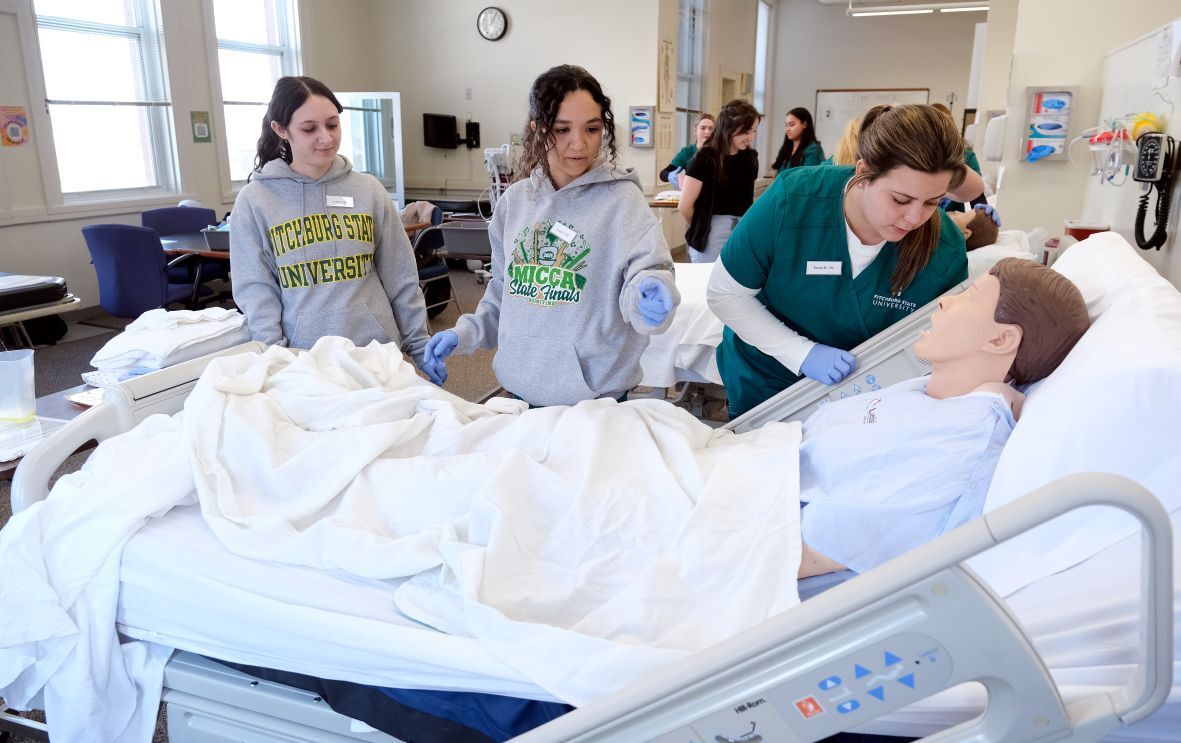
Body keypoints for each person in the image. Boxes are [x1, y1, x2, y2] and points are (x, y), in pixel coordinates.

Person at [797, 258, 1090, 577]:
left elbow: (811, 552)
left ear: (1000, 340)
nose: (943, 301)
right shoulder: (937, 395)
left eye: (970, 296)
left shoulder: (960, 445)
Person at [420, 65, 679, 407]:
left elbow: (646, 276)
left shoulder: (622, 201)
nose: (579, 143)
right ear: (537, 130)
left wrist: (651, 294)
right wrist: (463, 332)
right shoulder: (515, 202)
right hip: (519, 393)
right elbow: (502, 294)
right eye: (562, 129)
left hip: (594, 404)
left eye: (592, 128)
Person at [708, 103, 988, 418]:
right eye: (900, 199)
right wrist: (802, 353)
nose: (913, 218)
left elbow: (943, 343)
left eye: (931, 202)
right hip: (766, 384)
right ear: (863, 173)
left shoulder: (943, 247)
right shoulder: (794, 200)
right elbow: (724, 294)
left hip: (871, 401)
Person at [231, 76, 432, 373]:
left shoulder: (369, 190)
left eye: (332, 124)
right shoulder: (255, 200)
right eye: (309, 128)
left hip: (378, 353)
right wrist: (274, 359)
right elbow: (256, 291)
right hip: (305, 361)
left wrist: (419, 346)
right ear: (281, 129)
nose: (325, 138)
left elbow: (401, 277)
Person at [678, 99, 761, 264]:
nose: (751, 137)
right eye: (747, 131)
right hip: (712, 232)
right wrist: (704, 227)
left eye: (754, 131)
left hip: (743, 230)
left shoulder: (750, 158)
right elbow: (685, 206)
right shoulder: (705, 158)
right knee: (707, 285)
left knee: (738, 286)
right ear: (731, 129)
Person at [659, 113, 715, 188]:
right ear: (695, 131)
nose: (707, 132)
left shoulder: (721, 152)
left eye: (711, 128)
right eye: (703, 128)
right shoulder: (687, 152)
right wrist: (669, 175)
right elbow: (663, 174)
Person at [770, 107, 824, 172]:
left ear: (804, 124)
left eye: (791, 125)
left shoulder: (813, 150)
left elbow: (808, 179)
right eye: (786, 125)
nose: (787, 129)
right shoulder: (786, 148)